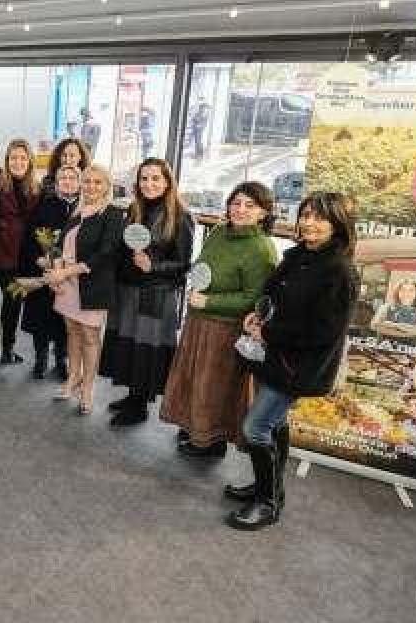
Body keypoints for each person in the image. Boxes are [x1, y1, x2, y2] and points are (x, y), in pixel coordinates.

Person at [227, 191, 359, 531]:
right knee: (274, 424)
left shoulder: (339, 271)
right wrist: (256, 315)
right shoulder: (297, 255)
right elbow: (272, 295)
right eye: (305, 215)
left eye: (319, 217)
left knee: (255, 427)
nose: (309, 223)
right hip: (274, 356)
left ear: (338, 225)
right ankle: (268, 488)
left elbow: (324, 332)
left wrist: (269, 333)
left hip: (298, 366)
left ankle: (267, 503)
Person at [160, 182, 279, 457]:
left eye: (250, 205)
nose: (240, 209)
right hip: (198, 321)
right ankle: (192, 426)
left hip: (225, 329)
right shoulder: (218, 232)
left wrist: (210, 302)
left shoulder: (261, 249)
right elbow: (203, 267)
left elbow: (254, 298)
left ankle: (210, 440)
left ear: (263, 213)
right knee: (193, 378)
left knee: (212, 386)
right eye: (236, 203)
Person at [101, 158, 194, 427]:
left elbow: (183, 264)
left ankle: (139, 405)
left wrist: (153, 266)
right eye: (144, 178)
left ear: (167, 182)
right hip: (129, 290)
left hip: (156, 294)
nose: (149, 184)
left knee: (146, 350)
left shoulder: (181, 216)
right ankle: (133, 396)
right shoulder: (134, 209)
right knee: (130, 345)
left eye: (155, 178)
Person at [46, 165, 124, 414]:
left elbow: (106, 253)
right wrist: (55, 271)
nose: (91, 187)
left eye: (97, 182)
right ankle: (73, 377)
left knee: (90, 337)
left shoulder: (112, 214)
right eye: (87, 181)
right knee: (72, 331)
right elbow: (60, 245)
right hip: (68, 284)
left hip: (93, 286)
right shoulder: (77, 212)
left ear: (107, 186)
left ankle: (88, 388)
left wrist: (66, 272)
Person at [19, 165, 80, 380]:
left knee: (65, 320)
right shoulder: (43, 205)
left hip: (71, 274)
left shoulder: (84, 208)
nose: (67, 181)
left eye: (72, 178)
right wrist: (39, 259)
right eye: (63, 178)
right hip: (44, 271)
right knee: (41, 318)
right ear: (56, 183)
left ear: (79, 182)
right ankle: (40, 357)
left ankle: (61, 359)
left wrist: (69, 266)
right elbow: (29, 237)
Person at [0, 140, 40, 366]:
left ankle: (6, 348)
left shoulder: (36, 188)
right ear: (7, 160)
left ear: (29, 161)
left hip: (23, 256)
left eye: (22, 158)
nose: (18, 162)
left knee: (13, 305)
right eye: (13, 158)